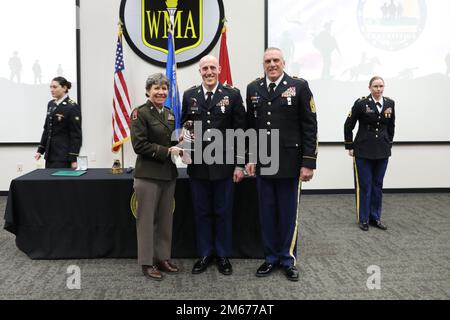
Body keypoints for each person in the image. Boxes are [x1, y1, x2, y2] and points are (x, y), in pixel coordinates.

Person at [245, 47, 318, 282]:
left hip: (290, 163)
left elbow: (310, 126)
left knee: (287, 214)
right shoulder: (253, 88)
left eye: (276, 60)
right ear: (263, 64)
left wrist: (308, 162)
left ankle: (287, 259)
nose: (272, 64)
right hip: (264, 163)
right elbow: (250, 128)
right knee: (266, 214)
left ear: (284, 63)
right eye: (268, 61)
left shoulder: (299, 86)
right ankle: (270, 258)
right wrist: (251, 157)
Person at [181, 55, 246, 276]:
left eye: (212, 68)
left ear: (219, 69)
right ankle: (205, 254)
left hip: (224, 166)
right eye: (204, 68)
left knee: (222, 211)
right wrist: (185, 152)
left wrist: (239, 165)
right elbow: (185, 127)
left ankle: (222, 254)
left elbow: (241, 132)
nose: (208, 72)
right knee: (201, 212)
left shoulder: (232, 95)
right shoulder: (190, 95)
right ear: (199, 71)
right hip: (198, 166)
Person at [130, 73, 182, 281]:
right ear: (148, 91)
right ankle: (147, 262)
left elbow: (170, 141)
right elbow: (139, 145)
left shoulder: (169, 113)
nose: (161, 92)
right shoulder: (140, 113)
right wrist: (168, 151)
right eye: (156, 89)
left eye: (164, 89)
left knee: (165, 219)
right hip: (148, 175)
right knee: (146, 221)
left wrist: (181, 143)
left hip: (168, 174)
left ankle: (162, 258)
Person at [344, 76, 395, 231]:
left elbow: (391, 126)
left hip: (382, 150)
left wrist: (388, 143)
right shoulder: (361, 103)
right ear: (369, 88)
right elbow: (348, 125)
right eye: (375, 86)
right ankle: (364, 219)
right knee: (365, 186)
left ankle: (375, 217)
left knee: (377, 185)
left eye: (381, 86)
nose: (378, 89)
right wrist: (349, 146)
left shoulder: (389, 103)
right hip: (363, 150)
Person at [35, 77, 82, 169]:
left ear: (64, 88)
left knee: (61, 183)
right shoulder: (51, 104)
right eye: (51, 87)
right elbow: (47, 129)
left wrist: (73, 159)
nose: (51, 90)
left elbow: (76, 135)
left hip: (63, 156)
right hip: (50, 155)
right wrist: (40, 150)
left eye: (55, 87)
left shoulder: (72, 107)